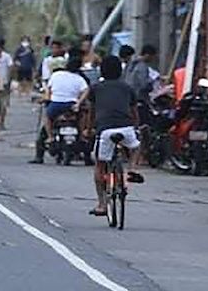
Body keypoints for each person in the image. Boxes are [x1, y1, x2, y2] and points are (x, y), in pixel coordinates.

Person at [82, 55, 144, 217]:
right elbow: (134, 112)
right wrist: (135, 127)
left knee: (100, 165)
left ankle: (102, 204)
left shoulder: (96, 88)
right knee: (136, 147)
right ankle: (131, 168)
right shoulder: (127, 88)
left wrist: (88, 130)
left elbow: (91, 112)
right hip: (126, 128)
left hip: (105, 130)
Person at [31, 51, 87, 163]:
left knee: (47, 117)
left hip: (55, 105)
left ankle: (50, 137)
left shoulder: (56, 75)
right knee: (82, 117)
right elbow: (86, 90)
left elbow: (48, 90)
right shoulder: (80, 78)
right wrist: (79, 103)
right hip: (71, 106)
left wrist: (46, 98)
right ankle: (81, 136)